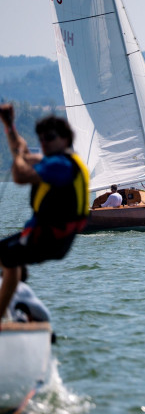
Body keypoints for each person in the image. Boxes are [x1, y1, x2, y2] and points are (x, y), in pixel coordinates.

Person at [0, 104, 90, 323]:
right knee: (7, 256)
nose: (44, 143)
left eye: (49, 138)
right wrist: (10, 126)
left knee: (7, 258)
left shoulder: (60, 164)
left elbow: (20, 174)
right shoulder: (55, 161)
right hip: (48, 236)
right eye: (41, 139)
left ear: (66, 139)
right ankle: (13, 310)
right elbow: (22, 153)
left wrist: (20, 155)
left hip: (50, 238)